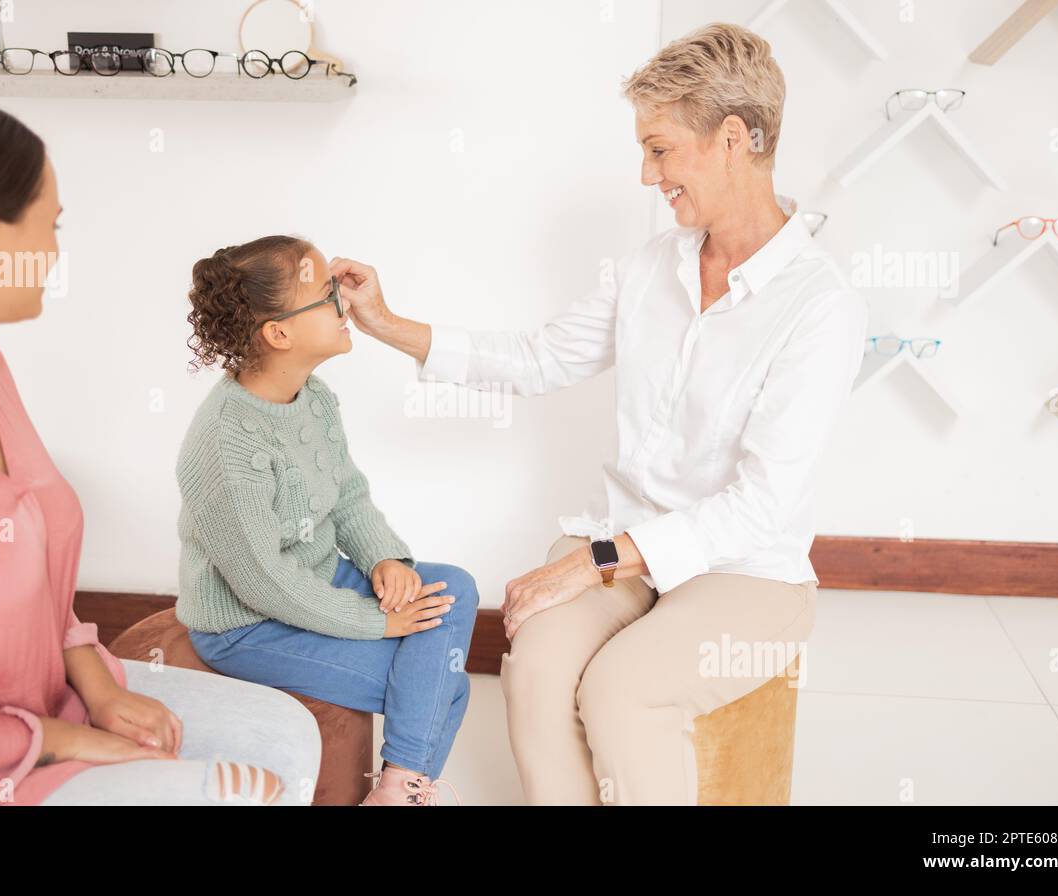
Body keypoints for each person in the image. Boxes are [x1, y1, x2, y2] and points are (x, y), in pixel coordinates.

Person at [330, 22, 869, 804]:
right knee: (537, 669)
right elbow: (538, 357)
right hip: (624, 544)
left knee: (622, 692)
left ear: (730, 139)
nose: (648, 175)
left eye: (660, 148)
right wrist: (386, 323)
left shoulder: (820, 305)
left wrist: (595, 559)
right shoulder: (653, 268)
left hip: (744, 570)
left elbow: (762, 506)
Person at [0, 98, 319, 806]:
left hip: (44, 702)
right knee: (242, 792)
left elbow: (40, 581)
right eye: (50, 227)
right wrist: (64, 739)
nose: (54, 252)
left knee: (285, 738)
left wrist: (100, 688)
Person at [175, 235, 479, 806]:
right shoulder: (224, 443)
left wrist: (386, 559)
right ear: (280, 332)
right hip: (247, 625)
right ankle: (402, 789)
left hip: (319, 581)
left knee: (455, 588)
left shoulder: (314, 398)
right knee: (445, 684)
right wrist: (376, 623)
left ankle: (398, 784)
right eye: (325, 292)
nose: (344, 300)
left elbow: (347, 499)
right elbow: (263, 580)